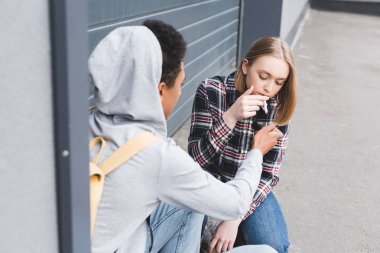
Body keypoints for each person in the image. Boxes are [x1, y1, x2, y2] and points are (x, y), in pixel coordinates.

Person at [88, 21, 282, 253]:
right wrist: (256, 151)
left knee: (188, 197)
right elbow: (235, 203)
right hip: (125, 244)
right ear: (160, 90)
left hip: (100, 239)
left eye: (279, 82)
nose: (180, 93)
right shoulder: (158, 155)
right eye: (180, 84)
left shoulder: (81, 123)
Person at [188, 36, 297, 253]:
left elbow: (268, 174)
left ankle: (235, 239)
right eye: (264, 76)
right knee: (190, 243)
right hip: (207, 180)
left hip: (250, 185)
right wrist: (230, 118)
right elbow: (195, 160)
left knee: (276, 247)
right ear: (246, 66)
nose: (269, 88)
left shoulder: (280, 108)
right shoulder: (211, 91)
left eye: (278, 82)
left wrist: (234, 219)